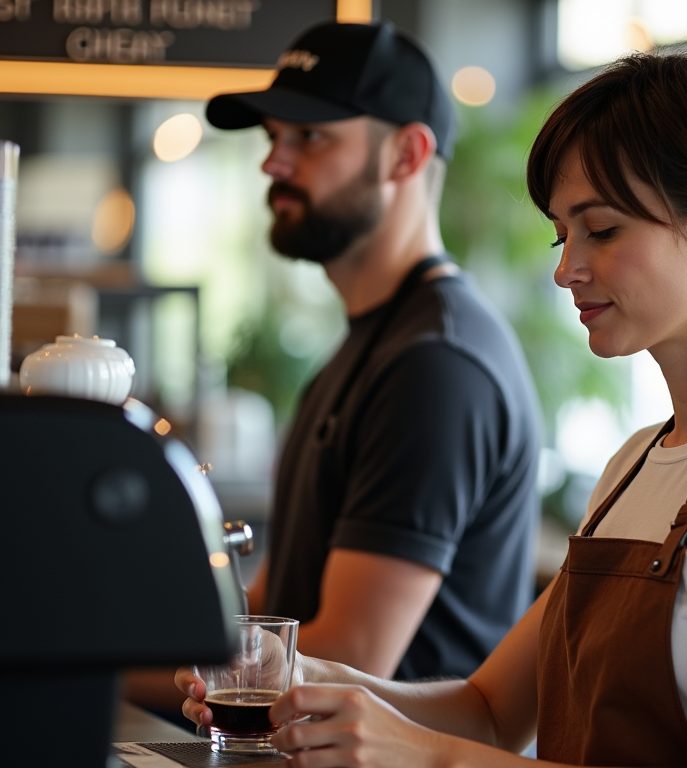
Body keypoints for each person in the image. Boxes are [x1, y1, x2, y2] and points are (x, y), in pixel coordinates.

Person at [177, 45, 687, 768]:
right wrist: (303, 679)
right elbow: (491, 712)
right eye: (563, 235)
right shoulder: (637, 463)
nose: (566, 269)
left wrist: (425, 757)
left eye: (603, 229)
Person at [136, 20, 541, 708]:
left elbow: (347, 654)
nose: (274, 162)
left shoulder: (436, 365)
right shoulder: (371, 345)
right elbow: (270, 606)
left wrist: (72, 664)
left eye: (310, 137)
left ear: (406, 156)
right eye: (273, 138)